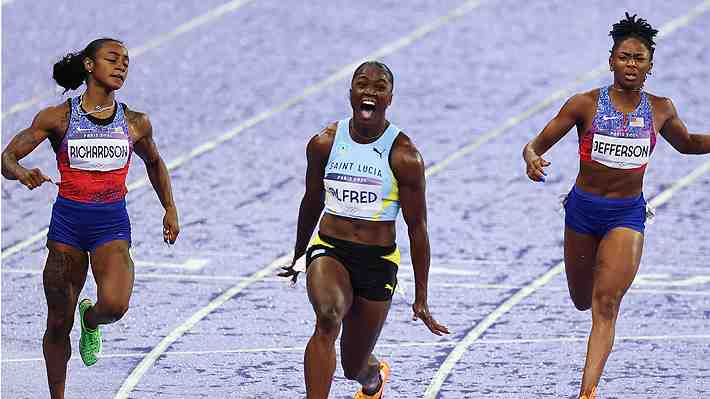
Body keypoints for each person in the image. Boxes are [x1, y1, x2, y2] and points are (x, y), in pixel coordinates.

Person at [522, 13, 710, 399]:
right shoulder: (584, 104)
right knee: (581, 299)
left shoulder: (661, 109)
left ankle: (586, 393)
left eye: (639, 58)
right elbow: (535, 144)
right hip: (582, 212)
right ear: (611, 60)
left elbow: (688, 143)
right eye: (624, 56)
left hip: (626, 215)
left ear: (650, 66)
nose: (631, 64)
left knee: (605, 304)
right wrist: (531, 157)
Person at [1, 38, 179, 399]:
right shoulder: (58, 118)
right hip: (67, 228)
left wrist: (169, 207)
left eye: (126, 62)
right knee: (57, 322)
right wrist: (21, 173)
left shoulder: (135, 123)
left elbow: (155, 163)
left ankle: (91, 320)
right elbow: (7, 158)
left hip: (111, 227)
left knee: (115, 306)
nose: (121, 66)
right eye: (112, 59)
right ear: (88, 65)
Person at [279, 61, 449, 399]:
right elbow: (312, 200)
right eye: (362, 84)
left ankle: (373, 380)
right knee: (327, 319)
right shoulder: (324, 143)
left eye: (379, 86)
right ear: (351, 93)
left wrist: (421, 297)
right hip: (330, 251)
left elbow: (417, 228)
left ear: (389, 98)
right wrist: (300, 253)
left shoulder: (404, 157)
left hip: (377, 262)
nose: (370, 91)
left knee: (354, 364)